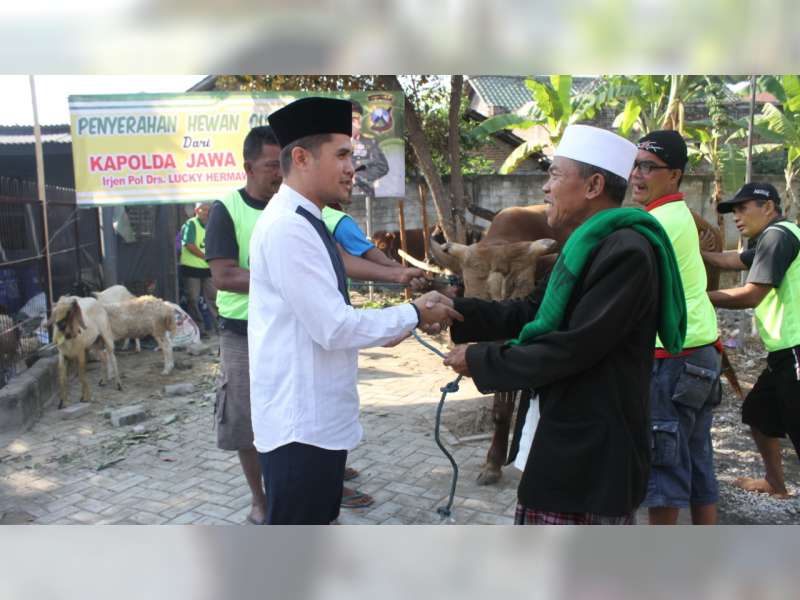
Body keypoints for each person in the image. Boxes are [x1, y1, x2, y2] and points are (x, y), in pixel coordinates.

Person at [440, 124, 687, 525]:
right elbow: (532, 310)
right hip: (564, 437)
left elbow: (574, 347)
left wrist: (482, 360)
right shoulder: (586, 244)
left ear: (593, 185)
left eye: (554, 175)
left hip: (592, 455)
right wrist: (456, 309)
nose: (545, 187)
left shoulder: (627, 252)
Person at [249, 97, 461, 525]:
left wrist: (400, 321)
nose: (352, 168)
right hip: (300, 429)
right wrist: (414, 314)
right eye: (342, 155)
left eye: (352, 155)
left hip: (314, 422)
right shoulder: (289, 228)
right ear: (301, 158)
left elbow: (331, 318)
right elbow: (334, 327)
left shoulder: (307, 219)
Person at [631, 130, 722, 525]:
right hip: (702, 350)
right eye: (635, 165)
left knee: (663, 467)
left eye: (648, 167)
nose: (637, 174)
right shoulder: (677, 214)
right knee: (698, 460)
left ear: (675, 175)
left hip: (673, 356)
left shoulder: (654, 223)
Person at [205, 125, 283, 525]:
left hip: (287, 330)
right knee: (245, 421)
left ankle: (289, 494)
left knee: (289, 415)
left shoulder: (292, 207)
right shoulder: (226, 209)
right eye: (271, 165)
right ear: (248, 167)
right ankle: (259, 499)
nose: (279, 173)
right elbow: (224, 276)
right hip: (242, 333)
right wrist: (285, 281)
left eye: (283, 164)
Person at [703, 182, 800, 499]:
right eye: (734, 211)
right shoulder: (777, 237)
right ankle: (775, 484)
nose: (736, 217)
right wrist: (696, 253)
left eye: (743, 209)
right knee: (758, 413)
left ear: (768, 207)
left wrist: (697, 298)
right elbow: (733, 260)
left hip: (795, 349)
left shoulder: (777, 237)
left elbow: (751, 295)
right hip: (782, 351)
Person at [179, 202, 218, 337]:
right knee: (193, 299)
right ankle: (199, 330)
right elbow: (189, 244)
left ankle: (219, 327)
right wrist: (206, 257)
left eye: (208, 210)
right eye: (203, 209)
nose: (206, 212)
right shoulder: (191, 224)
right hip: (192, 269)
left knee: (214, 298)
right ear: (196, 210)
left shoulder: (211, 224)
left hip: (207, 268)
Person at [350, 100, 389, 197]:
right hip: (338, 198)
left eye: (354, 119)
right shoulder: (334, 145)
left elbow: (382, 167)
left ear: (359, 121)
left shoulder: (370, 143)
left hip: (364, 196)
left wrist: (358, 177)